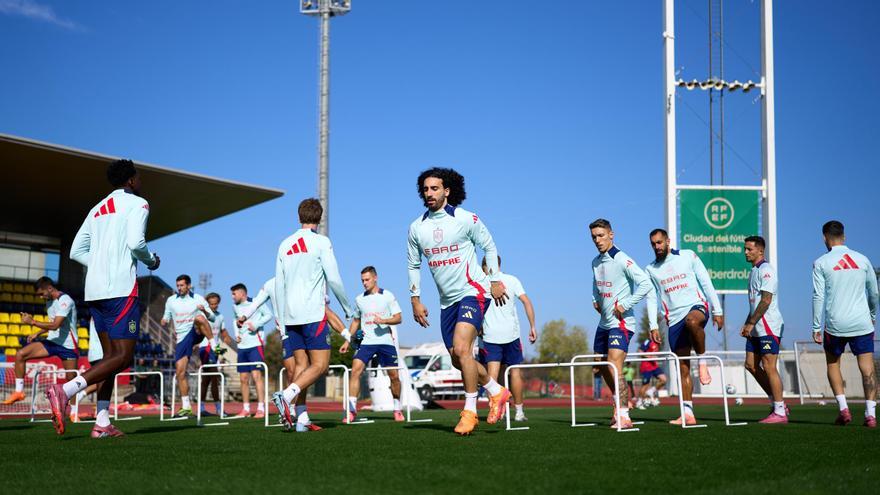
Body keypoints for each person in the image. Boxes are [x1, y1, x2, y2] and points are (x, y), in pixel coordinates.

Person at [50, 159, 161, 438]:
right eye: (138, 176)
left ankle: (101, 423)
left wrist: (99, 265)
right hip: (120, 290)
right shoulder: (139, 203)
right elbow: (137, 243)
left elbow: (76, 251)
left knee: (109, 358)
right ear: (131, 181)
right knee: (123, 358)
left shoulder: (97, 208)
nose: (140, 180)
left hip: (94, 291)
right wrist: (152, 261)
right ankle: (65, 390)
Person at [406, 167, 510, 435]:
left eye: (434, 188)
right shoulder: (417, 227)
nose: (429, 193)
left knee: (463, 349)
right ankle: (496, 390)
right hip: (446, 302)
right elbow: (413, 264)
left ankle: (470, 411)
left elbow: (489, 245)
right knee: (456, 358)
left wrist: (495, 279)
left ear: (447, 191)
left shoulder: (465, 219)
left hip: (473, 291)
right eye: (426, 189)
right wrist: (415, 298)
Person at [272, 198, 353, 432]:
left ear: (299, 217)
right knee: (320, 365)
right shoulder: (321, 242)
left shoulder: (284, 244)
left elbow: (279, 284)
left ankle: (302, 419)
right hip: (312, 313)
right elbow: (334, 278)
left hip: (290, 316)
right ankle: (286, 396)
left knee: (302, 366)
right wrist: (347, 308)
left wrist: (281, 319)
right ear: (320, 218)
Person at [238, 277, 344, 431]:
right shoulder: (270, 284)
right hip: (288, 331)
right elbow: (256, 302)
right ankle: (291, 408)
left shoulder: (299, 279)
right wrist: (244, 316)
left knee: (307, 370)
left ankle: (300, 416)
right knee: (294, 371)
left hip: (305, 326)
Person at [644, 228, 724, 424]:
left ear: (668, 241)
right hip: (674, 319)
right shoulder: (651, 270)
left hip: (696, 307)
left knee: (693, 322)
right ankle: (687, 413)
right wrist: (653, 325)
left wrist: (717, 310)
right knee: (683, 368)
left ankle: (703, 362)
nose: (657, 246)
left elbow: (706, 282)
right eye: (653, 244)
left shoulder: (688, 256)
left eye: (660, 242)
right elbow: (651, 297)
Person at [811, 220, 878, 427]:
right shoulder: (863, 259)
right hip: (862, 323)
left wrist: (815, 326)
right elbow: (874, 293)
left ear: (825, 238)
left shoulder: (821, 262)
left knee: (833, 363)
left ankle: (844, 409)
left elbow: (818, 297)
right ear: (844, 236)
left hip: (835, 324)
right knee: (867, 368)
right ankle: (870, 414)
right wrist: (873, 314)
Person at [589, 218, 651, 429]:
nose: (597, 240)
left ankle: (624, 415)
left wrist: (626, 303)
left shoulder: (621, 258)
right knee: (600, 366)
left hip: (622, 323)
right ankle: (619, 401)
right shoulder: (595, 262)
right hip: (604, 323)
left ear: (611, 234)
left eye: (601, 235)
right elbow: (596, 284)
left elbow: (645, 283)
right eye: (594, 237)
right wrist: (595, 299)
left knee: (615, 365)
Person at [339, 266, 405, 423]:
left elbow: (399, 318)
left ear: (375, 278)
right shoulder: (359, 299)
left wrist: (384, 320)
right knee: (355, 371)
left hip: (386, 342)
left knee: (394, 377)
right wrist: (347, 340)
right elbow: (356, 320)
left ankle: (397, 409)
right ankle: (352, 411)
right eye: (362, 280)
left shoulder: (388, 296)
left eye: (367, 279)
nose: (364, 283)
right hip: (366, 342)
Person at [3, 278, 78, 412]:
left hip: (68, 345)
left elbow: (55, 325)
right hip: (52, 342)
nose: (40, 297)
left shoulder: (66, 300)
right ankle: (19, 392)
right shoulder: (49, 302)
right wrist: (37, 333)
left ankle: (73, 411)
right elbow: (52, 323)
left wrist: (32, 322)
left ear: (50, 288)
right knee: (21, 354)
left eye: (41, 293)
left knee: (71, 379)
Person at [477, 256, 537, 422]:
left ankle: (495, 411)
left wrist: (476, 328)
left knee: (492, 375)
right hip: (511, 334)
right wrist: (532, 326)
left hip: (491, 335)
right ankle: (519, 412)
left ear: (484, 267)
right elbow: (526, 302)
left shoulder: (480, 283)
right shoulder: (512, 280)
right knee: (515, 372)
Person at [741, 236, 787, 424]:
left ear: (760, 251)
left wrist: (751, 323)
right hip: (755, 326)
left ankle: (780, 412)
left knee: (769, 367)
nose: (745, 252)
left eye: (749, 249)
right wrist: (747, 323)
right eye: (744, 249)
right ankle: (778, 404)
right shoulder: (753, 271)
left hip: (768, 326)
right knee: (750, 365)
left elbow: (766, 300)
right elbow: (754, 303)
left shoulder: (766, 270)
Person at [161, 274, 216, 417]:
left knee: (199, 317)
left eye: (182, 285)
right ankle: (186, 406)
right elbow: (166, 316)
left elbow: (212, 317)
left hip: (196, 331)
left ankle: (213, 343)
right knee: (180, 372)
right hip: (182, 339)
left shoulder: (198, 298)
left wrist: (204, 310)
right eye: (178, 285)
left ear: (189, 286)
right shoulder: (171, 300)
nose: (179, 288)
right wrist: (164, 321)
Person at [230, 283, 272, 419]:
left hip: (255, 345)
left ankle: (261, 408)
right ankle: (246, 409)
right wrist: (236, 334)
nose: (232, 297)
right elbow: (234, 320)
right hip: (242, 347)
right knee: (243, 379)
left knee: (256, 377)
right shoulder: (235, 306)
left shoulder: (256, 302)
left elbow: (269, 315)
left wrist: (256, 325)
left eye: (234, 294)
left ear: (242, 294)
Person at [199, 292, 231, 417]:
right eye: (211, 304)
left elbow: (222, 331)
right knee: (214, 377)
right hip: (205, 348)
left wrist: (227, 337)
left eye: (215, 304)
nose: (213, 306)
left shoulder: (220, 316)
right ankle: (218, 408)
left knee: (206, 380)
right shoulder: (202, 316)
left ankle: (201, 408)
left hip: (216, 348)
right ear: (207, 303)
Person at [636, 338, 667, 409]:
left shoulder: (657, 343)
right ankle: (639, 402)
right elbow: (640, 351)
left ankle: (651, 391)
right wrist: (650, 356)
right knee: (645, 385)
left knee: (664, 379)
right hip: (646, 367)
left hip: (654, 366)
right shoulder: (647, 341)